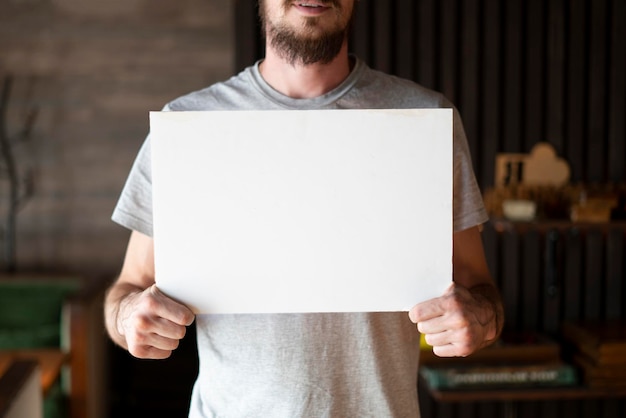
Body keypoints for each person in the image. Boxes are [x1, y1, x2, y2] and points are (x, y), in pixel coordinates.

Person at [104, 0, 505, 416]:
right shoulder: (188, 125)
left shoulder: (425, 120)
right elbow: (127, 288)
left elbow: (481, 290)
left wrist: (480, 318)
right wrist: (129, 316)